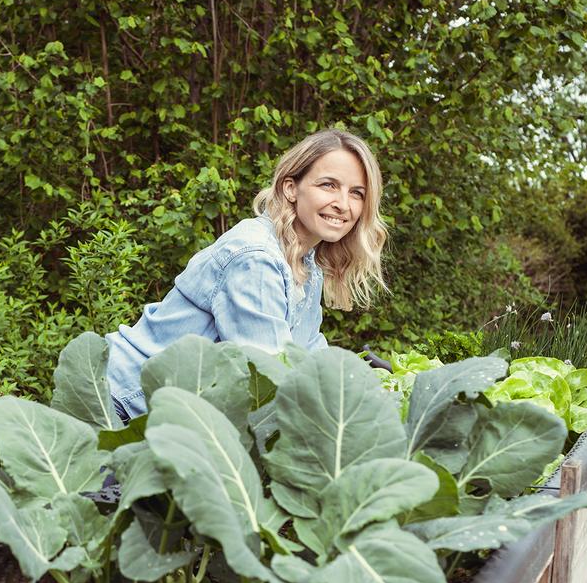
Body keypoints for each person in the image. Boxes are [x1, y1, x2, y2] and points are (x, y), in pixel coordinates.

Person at [106, 129, 389, 423]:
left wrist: (364, 379)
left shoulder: (306, 262)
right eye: (328, 185)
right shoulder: (256, 258)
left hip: (169, 414)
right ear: (291, 187)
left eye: (357, 193)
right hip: (122, 406)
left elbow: (305, 355)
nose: (343, 204)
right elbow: (268, 376)